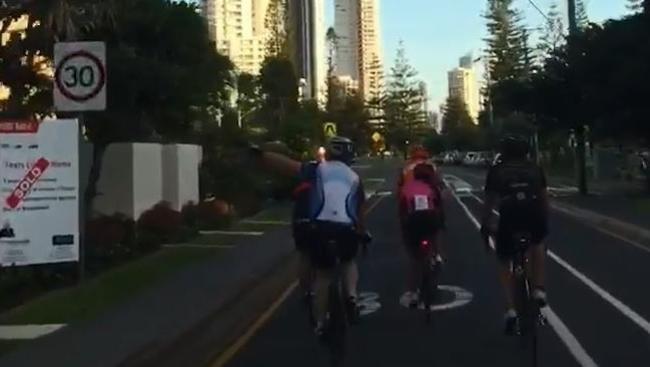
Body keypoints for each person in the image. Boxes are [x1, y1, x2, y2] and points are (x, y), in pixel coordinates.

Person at [250, 137, 369, 337]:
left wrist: (260, 154)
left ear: (328, 153)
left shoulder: (316, 170)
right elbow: (360, 211)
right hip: (345, 229)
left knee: (323, 275)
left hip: (320, 228)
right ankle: (351, 296)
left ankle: (321, 322)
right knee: (348, 261)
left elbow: (286, 165)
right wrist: (362, 232)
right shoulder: (355, 178)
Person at [481, 135, 550, 335]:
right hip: (532, 211)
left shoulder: (497, 171)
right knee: (537, 243)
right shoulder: (535, 169)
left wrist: (485, 224)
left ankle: (510, 309)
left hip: (510, 214)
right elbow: (544, 199)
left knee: (503, 258)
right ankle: (538, 288)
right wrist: (544, 222)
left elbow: (490, 202)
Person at [397, 145, 446, 308]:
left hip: (413, 219)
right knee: (436, 226)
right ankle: (437, 255)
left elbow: (400, 200)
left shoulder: (405, 169)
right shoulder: (432, 168)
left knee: (414, 257)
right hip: (431, 218)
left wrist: (402, 220)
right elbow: (441, 195)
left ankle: (412, 292)